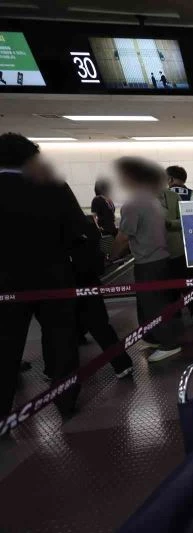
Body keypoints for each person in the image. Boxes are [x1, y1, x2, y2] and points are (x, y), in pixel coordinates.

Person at [0, 133, 87, 420]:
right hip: (54, 278)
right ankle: (66, 401)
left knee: (5, 344)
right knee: (61, 340)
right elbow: (79, 231)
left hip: (5, 282)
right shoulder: (53, 187)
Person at [111, 157, 181, 363]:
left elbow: (123, 237)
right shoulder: (154, 201)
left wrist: (111, 256)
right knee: (152, 303)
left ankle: (168, 343)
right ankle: (154, 338)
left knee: (153, 304)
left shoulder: (133, 204)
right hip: (162, 258)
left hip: (148, 262)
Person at [75, 214, 135, 378]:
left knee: (59, 328)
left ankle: (58, 373)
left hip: (65, 281)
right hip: (87, 280)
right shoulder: (83, 222)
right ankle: (122, 364)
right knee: (100, 324)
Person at [157, 174, 193, 328]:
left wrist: (170, 224)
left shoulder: (173, 197)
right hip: (156, 252)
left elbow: (185, 219)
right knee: (167, 287)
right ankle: (174, 313)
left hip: (177, 248)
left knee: (187, 283)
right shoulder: (140, 200)